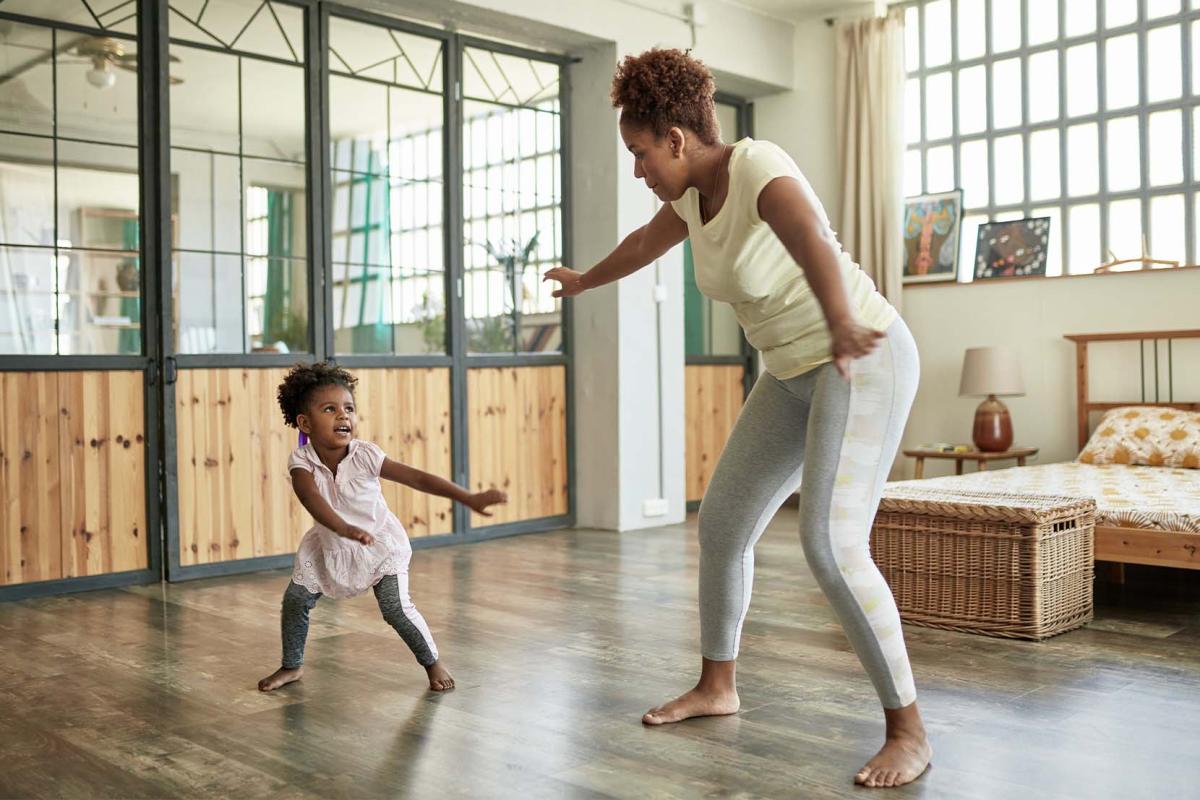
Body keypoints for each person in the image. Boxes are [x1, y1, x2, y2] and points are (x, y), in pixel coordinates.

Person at [543, 49, 931, 789]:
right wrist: (585, 279)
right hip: (791, 371)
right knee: (723, 524)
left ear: (677, 140)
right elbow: (645, 243)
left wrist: (844, 321)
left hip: (860, 357)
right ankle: (718, 686)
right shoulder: (692, 197)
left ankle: (909, 730)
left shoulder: (760, 166)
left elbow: (812, 237)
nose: (638, 170)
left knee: (831, 543)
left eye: (640, 152)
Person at [257, 362, 507, 694]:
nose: (343, 416)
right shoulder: (301, 461)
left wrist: (468, 497)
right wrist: (342, 528)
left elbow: (418, 478)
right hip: (331, 542)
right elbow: (311, 499)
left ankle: (432, 662)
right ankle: (292, 665)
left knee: (395, 608)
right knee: (296, 599)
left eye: (349, 408)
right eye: (329, 409)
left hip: (379, 544)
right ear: (305, 422)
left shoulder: (366, 455)